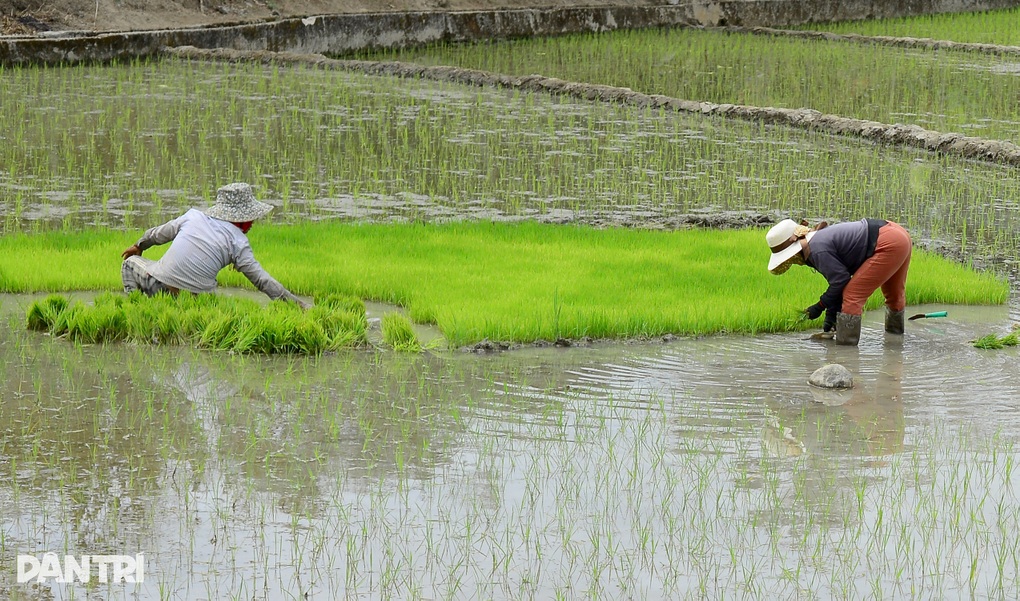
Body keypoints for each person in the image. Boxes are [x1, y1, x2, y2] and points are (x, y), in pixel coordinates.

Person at [121, 182, 310, 308]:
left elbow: (158, 234)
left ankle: (137, 308)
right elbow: (262, 281)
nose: (252, 223)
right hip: (201, 301)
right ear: (244, 219)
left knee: (129, 264)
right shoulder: (238, 242)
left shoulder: (193, 216)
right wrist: (299, 306)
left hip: (160, 286)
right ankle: (157, 312)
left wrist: (139, 246)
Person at [765, 217, 912, 345]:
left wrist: (819, 306)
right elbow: (837, 283)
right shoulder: (816, 243)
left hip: (887, 244)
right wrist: (831, 316)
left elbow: (841, 281)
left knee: (852, 295)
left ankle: (846, 350)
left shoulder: (816, 251)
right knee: (894, 294)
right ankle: (895, 343)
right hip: (897, 234)